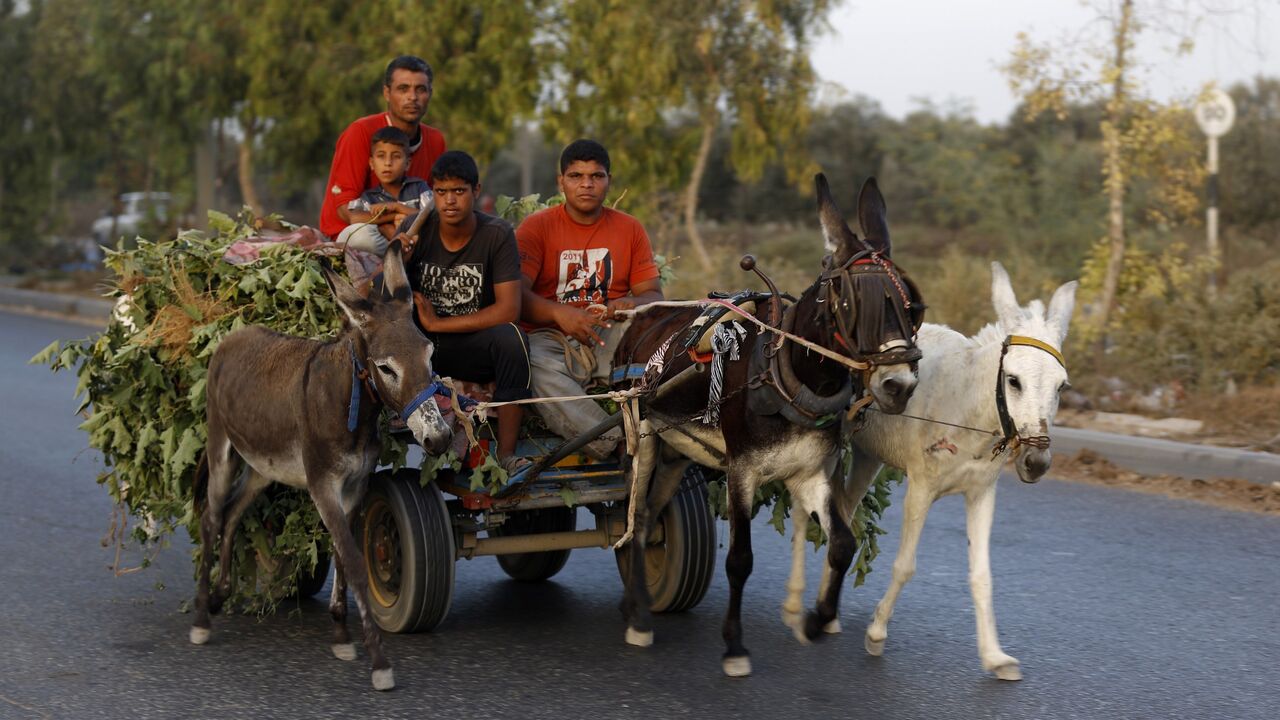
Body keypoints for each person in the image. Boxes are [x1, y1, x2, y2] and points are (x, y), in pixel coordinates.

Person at [516, 139, 663, 460]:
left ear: (609, 180)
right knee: (532, 364)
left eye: (596, 176)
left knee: (664, 346)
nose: (586, 184)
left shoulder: (629, 228)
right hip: (550, 338)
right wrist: (559, 314)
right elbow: (515, 295)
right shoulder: (536, 227)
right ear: (561, 182)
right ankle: (617, 444)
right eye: (576, 176)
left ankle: (673, 430)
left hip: (609, 332)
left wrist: (630, 304)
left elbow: (652, 294)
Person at [394, 151, 532, 471]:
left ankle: (508, 455)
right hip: (420, 349)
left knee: (513, 338)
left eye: (459, 191)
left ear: (476, 191)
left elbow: (509, 309)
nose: (450, 201)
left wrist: (439, 323)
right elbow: (381, 295)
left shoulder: (496, 234)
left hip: (468, 344)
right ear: (433, 195)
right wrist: (398, 258)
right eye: (441, 192)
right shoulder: (414, 229)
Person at [320, 55, 447, 240]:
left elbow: (435, 205)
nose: (412, 97)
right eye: (403, 89)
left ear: (430, 93)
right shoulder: (361, 132)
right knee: (361, 238)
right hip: (358, 232)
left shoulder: (435, 140)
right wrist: (392, 223)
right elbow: (345, 209)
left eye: (420, 89)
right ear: (387, 93)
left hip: (412, 232)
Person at [334, 127, 431, 255]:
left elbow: (431, 217)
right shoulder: (370, 196)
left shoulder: (419, 187)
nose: (388, 163)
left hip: (418, 247)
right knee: (352, 235)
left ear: (407, 163)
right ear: (372, 163)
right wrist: (394, 216)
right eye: (381, 156)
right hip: (386, 249)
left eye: (396, 156)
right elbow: (355, 219)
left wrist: (397, 207)